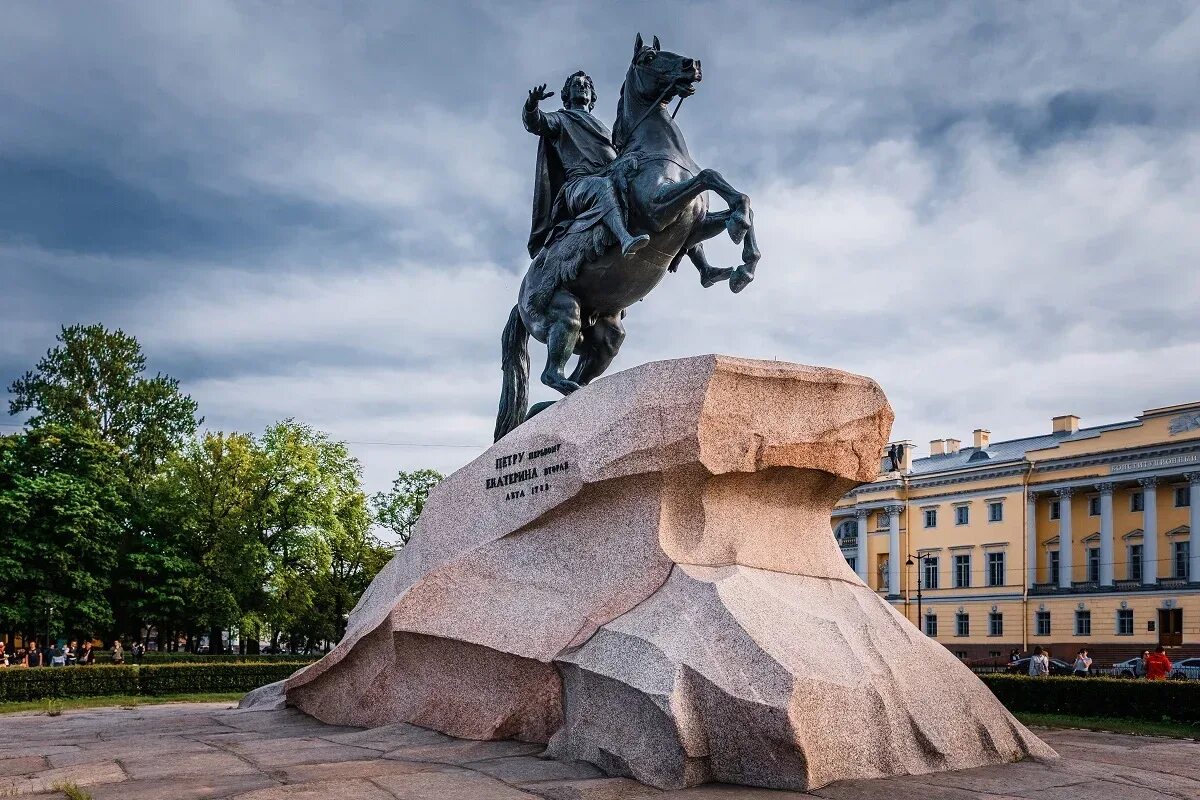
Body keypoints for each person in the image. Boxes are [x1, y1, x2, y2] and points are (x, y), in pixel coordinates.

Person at [523, 71, 650, 260]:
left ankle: (697, 257)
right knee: (601, 187)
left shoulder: (605, 128)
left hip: (610, 174)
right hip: (579, 186)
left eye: (586, 85)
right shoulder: (561, 119)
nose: (582, 86)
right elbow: (537, 123)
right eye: (576, 84)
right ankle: (625, 239)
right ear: (567, 95)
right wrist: (532, 105)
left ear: (592, 96)